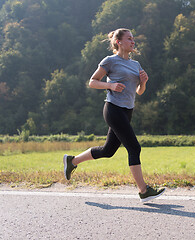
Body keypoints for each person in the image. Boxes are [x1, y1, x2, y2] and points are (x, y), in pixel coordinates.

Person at [63, 28, 165, 202]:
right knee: (134, 147)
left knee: (108, 150)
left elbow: (139, 92)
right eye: (129, 39)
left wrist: (144, 82)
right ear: (119, 42)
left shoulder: (136, 64)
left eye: (133, 39)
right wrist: (110, 86)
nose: (133, 42)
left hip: (127, 111)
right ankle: (143, 191)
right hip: (113, 109)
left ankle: (72, 161)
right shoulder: (110, 61)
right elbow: (92, 82)